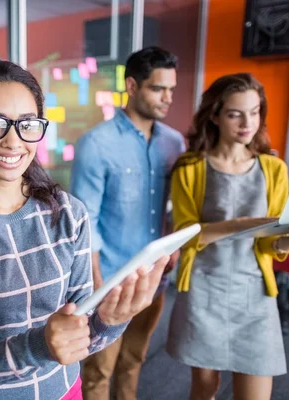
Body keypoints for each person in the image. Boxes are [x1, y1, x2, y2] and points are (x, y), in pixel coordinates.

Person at [0, 59, 169, 400]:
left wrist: (112, 320)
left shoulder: (68, 213)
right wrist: (37, 346)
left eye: (27, 125)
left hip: (66, 393)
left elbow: (82, 339)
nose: (13, 141)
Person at [166, 72, 289, 400]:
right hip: (204, 289)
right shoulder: (190, 167)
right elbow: (185, 234)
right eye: (235, 113)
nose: (247, 122)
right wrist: (243, 224)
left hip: (254, 293)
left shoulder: (273, 168)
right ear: (215, 115)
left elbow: (273, 243)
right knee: (204, 390)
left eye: (254, 112)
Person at [71, 46, 185, 399]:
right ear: (133, 87)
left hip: (155, 278)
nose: (167, 98)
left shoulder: (174, 143)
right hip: (112, 280)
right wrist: (97, 285)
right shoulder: (96, 144)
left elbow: (175, 206)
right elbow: (85, 222)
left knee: (135, 358)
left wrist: (174, 248)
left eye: (171, 89)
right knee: (99, 370)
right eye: (157, 89)